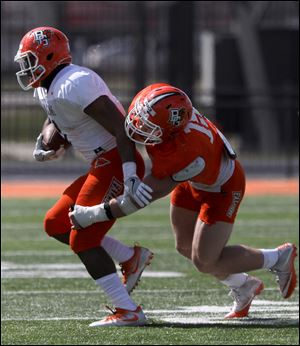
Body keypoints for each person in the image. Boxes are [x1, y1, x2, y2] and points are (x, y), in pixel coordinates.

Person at [69, 83, 298, 319]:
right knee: (184, 246)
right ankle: (243, 285)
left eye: (149, 128)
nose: (139, 130)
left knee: (205, 261)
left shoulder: (185, 151)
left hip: (222, 189)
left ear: (172, 129)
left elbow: (136, 200)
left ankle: (277, 257)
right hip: (191, 179)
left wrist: (92, 214)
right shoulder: (164, 105)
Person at [14, 26, 154, 327]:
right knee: (55, 223)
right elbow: (58, 117)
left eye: (30, 60)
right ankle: (129, 257)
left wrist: (130, 173)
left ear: (50, 56)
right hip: (100, 163)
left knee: (82, 240)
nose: (26, 68)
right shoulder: (47, 86)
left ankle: (128, 310)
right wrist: (48, 140)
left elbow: (122, 127)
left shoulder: (74, 82)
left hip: (117, 160)